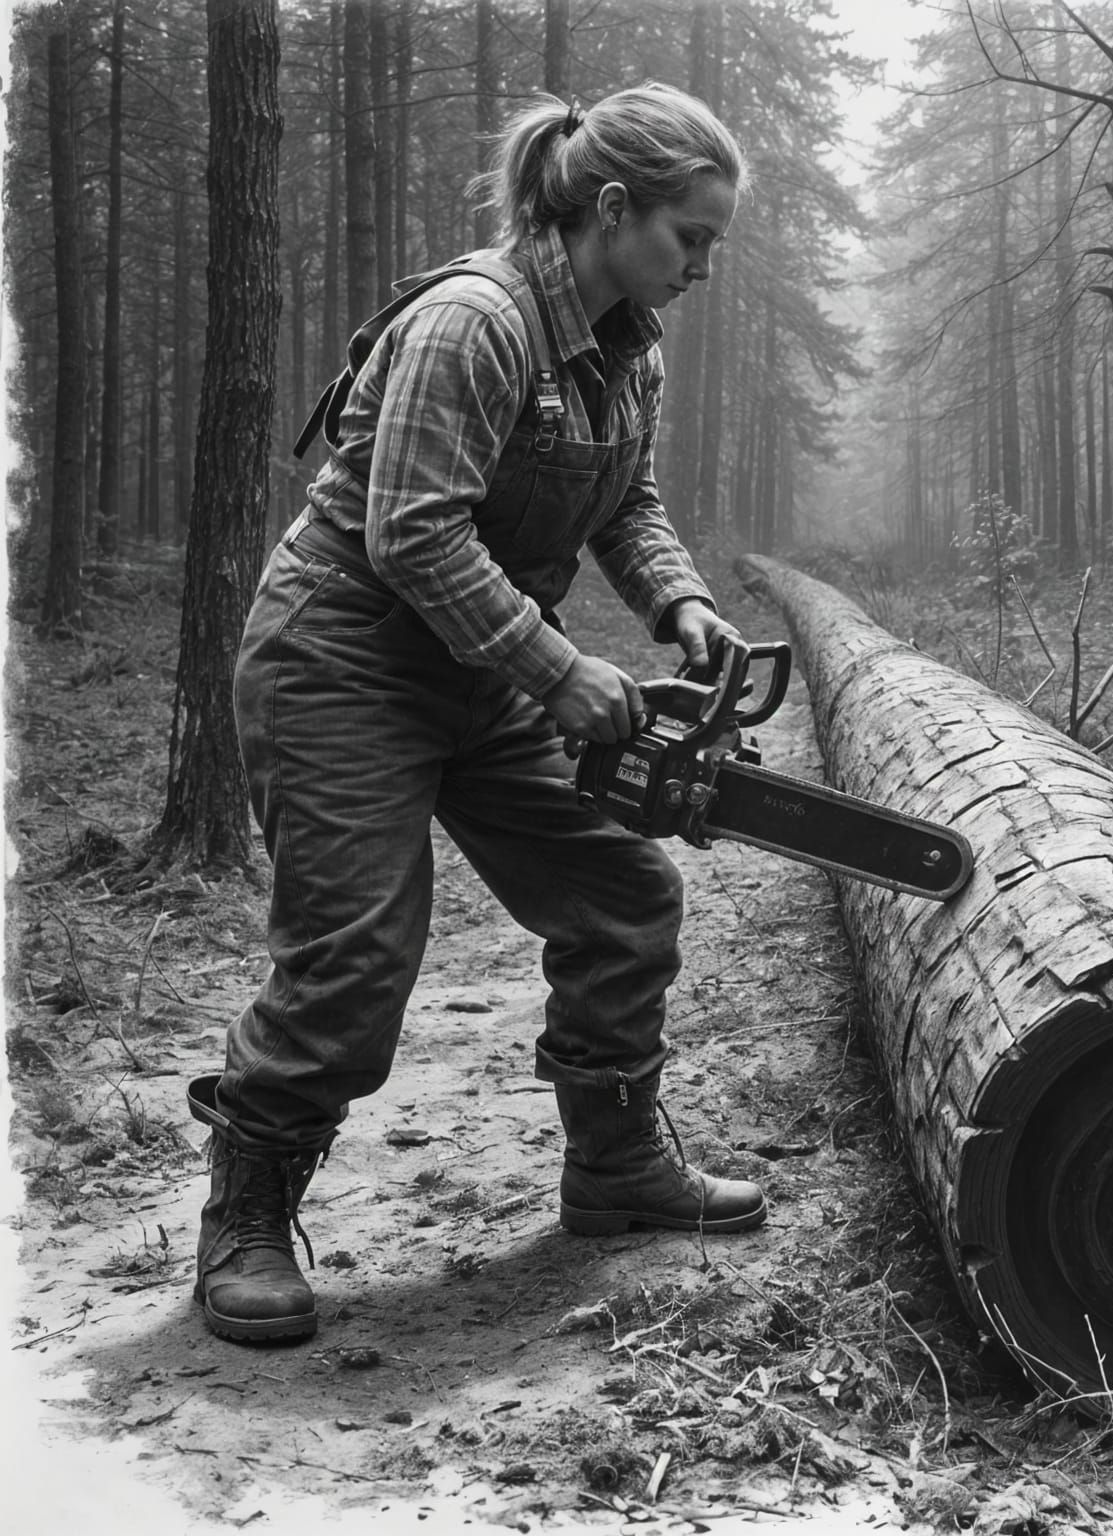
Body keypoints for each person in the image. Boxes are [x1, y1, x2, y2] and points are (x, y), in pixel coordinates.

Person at [186, 83, 766, 1345]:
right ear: (613, 209)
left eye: (713, 244)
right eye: (692, 238)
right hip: (342, 661)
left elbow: (626, 502)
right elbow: (412, 531)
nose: (702, 267)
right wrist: (562, 673)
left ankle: (614, 1168)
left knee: (623, 892)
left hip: (480, 669)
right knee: (358, 951)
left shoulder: (628, 345)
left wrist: (680, 605)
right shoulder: (476, 323)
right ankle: (243, 1213)